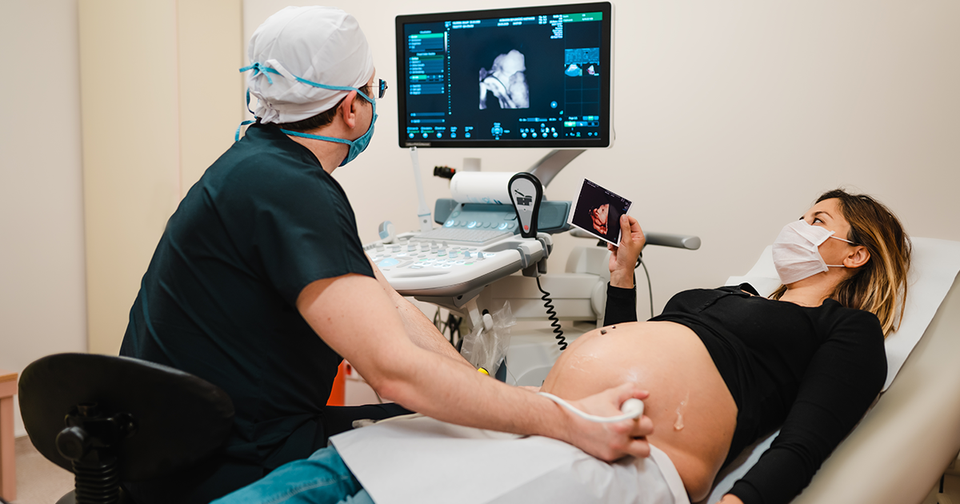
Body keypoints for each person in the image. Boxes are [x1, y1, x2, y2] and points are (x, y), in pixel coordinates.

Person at [117, 6, 650, 504]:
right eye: (376, 90)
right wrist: (563, 419)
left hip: (176, 440)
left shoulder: (260, 165)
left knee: (457, 419)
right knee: (441, 439)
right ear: (352, 107)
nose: (374, 102)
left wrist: (478, 388)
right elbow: (395, 374)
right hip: (226, 462)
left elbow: (386, 301)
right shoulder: (294, 191)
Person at [211, 188, 910, 504]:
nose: (796, 227)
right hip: (548, 418)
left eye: (817, 221)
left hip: (634, 458)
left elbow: (806, 442)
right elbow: (634, 339)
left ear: (855, 256)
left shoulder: (844, 331)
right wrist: (623, 277)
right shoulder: (735, 299)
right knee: (335, 471)